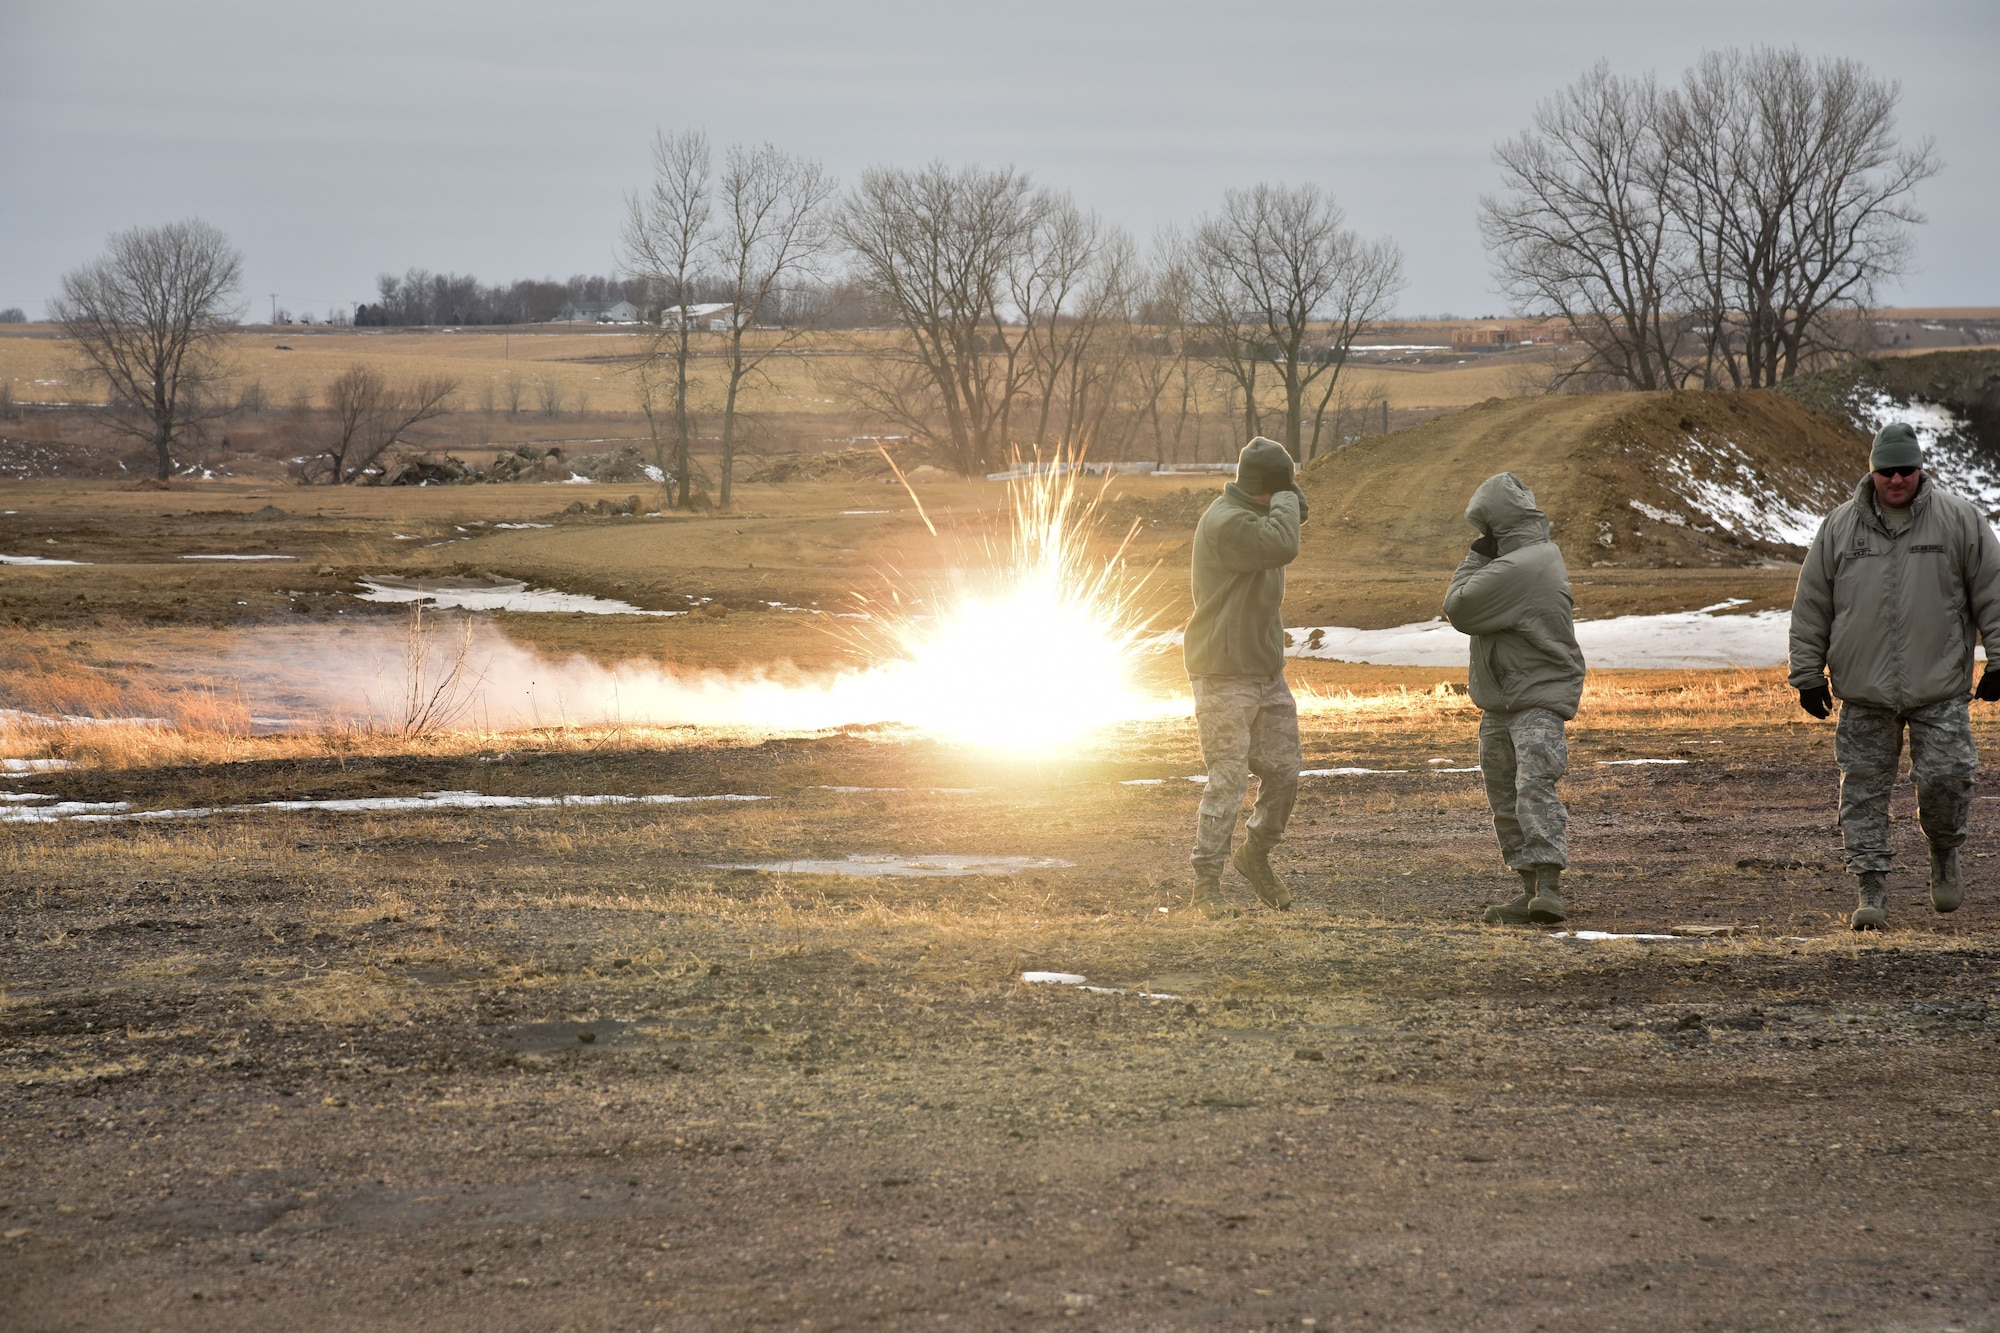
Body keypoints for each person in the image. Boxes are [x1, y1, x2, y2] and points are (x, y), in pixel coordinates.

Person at [1789, 421, 2000, 930]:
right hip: (1863, 691)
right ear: (1873, 472)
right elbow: (1812, 604)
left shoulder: (1960, 521)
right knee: (1862, 794)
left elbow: (1993, 591)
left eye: (1905, 470)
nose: (1896, 480)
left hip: (1940, 688)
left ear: (1920, 469)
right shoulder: (1838, 528)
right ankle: (1871, 891)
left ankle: (1944, 855)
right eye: (1886, 471)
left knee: (1948, 781)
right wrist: (1807, 673)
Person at [1444, 473, 1586, 925]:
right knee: (1504, 793)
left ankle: (1550, 887)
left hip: (1533, 697)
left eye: (1484, 527)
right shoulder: (1524, 559)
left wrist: (1473, 557)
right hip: (1504, 699)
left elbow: (1459, 607)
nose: (1481, 536)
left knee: (1533, 787)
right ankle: (1529, 893)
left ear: (1497, 525)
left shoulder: (1527, 564)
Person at [1183, 436, 1308, 918]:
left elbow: (1295, 520)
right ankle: (1206, 884)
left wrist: (1285, 493)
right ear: (1264, 490)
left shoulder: (1256, 513)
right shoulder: (1227, 521)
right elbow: (1285, 541)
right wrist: (1285, 499)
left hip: (1264, 668)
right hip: (1221, 670)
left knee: (1284, 772)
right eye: (1280, 492)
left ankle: (1254, 855)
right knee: (1229, 779)